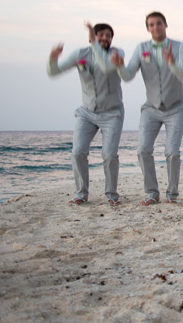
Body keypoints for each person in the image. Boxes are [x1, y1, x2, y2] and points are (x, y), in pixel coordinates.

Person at [104, 12, 183, 205]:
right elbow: (127, 76)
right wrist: (119, 66)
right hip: (151, 108)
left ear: (165, 25)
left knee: (172, 152)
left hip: (176, 108)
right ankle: (152, 193)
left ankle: (172, 195)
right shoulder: (141, 48)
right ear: (147, 28)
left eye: (159, 23)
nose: (155, 27)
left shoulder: (178, 46)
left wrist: (172, 63)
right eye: (151, 25)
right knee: (143, 150)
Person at [47, 22, 125, 206]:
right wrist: (52, 58)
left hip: (112, 114)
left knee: (109, 155)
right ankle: (81, 193)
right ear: (92, 37)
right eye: (101, 35)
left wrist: (94, 45)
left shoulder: (117, 54)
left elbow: (106, 67)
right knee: (77, 152)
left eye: (108, 36)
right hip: (87, 112)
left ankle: (112, 195)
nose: (105, 38)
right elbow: (54, 71)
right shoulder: (80, 54)